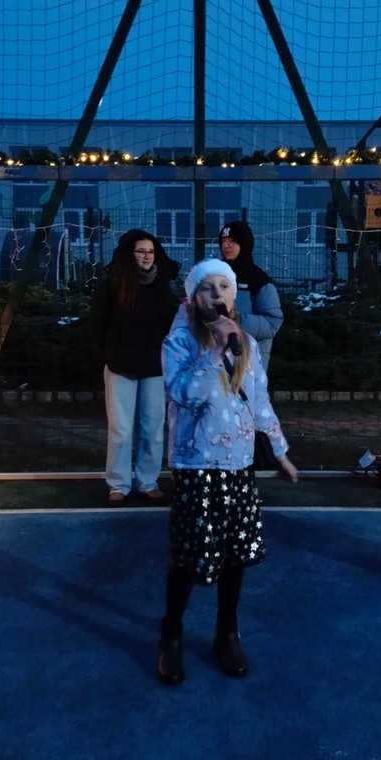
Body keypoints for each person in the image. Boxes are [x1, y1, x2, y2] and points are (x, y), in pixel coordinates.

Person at [156, 257, 298, 685]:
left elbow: (260, 401)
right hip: (196, 466)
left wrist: (279, 450)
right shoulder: (179, 342)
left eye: (224, 287)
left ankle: (227, 632)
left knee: (235, 553)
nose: (216, 294)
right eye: (207, 288)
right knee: (189, 554)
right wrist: (214, 351)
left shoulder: (247, 344)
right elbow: (183, 392)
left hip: (238, 467)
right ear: (192, 297)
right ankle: (171, 636)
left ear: (234, 296)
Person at [91, 229, 179, 504]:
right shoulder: (111, 287)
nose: (147, 256)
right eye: (141, 251)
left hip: (154, 368)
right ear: (130, 255)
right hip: (120, 368)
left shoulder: (161, 287)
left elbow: (171, 325)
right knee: (121, 429)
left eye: (151, 252)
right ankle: (118, 484)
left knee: (152, 428)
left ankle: (148, 481)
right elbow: (98, 325)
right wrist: (108, 356)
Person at [217, 220, 283, 371]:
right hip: (217, 360)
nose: (226, 245)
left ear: (244, 244)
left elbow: (273, 323)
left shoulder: (259, 280)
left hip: (249, 364)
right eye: (223, 241)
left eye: (232, 241)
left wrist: (238, 320)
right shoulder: (215, 276)